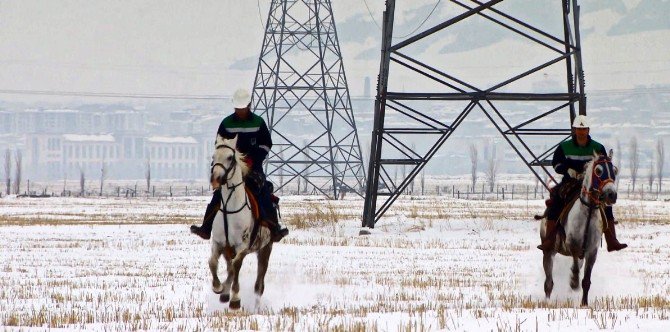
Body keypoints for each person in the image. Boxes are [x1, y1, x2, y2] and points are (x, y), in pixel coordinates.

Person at [190, 88, 289, 242]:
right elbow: (220, 145)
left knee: (263, 193)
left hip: (253, 168)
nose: (240, 111)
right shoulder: (227, 123)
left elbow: (266, 144)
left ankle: (274, 228)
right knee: (218, 196)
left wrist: (254, 158)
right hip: (231, 168)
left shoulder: (258, 122)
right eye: (237, 108)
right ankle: (206, 227)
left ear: (249, 105)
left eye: (242, 108)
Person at [537, 114, 627, 252]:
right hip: (570, 183)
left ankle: (612, 240)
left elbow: (604, 166)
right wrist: (567, 170)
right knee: (555, 202)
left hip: (592, 185)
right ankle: (549, 240)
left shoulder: (597, 147)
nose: (581, 132)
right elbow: (556, 164)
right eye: (579, 129)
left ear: (588, 130)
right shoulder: (564, 147)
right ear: (574, 130)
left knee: (606, 205)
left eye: (584, 129)